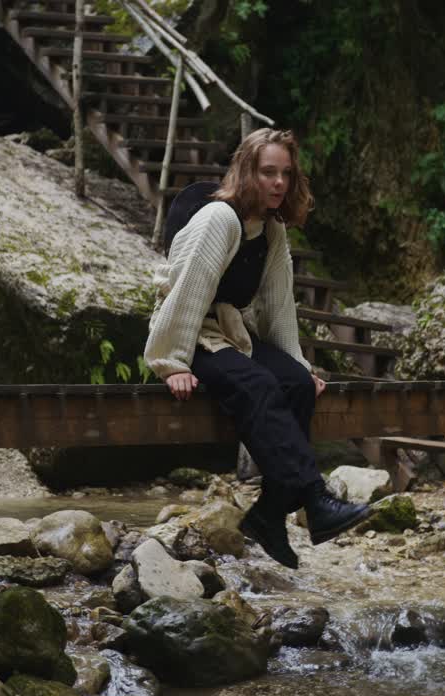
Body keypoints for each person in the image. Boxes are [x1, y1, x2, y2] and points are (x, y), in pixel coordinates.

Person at [142, 128, 373, 569]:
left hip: (232, 333)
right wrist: (170, 362)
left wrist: (300, 366)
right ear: (248, 172)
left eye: (286, 173)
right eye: (269, 172)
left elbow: (279, 307)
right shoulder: (220, 220)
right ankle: (315, 497)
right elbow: (186, 291)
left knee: (295, 386)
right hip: (191, 334)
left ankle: (268, 515)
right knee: (259, 385)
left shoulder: (271, 231)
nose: (279, 183)